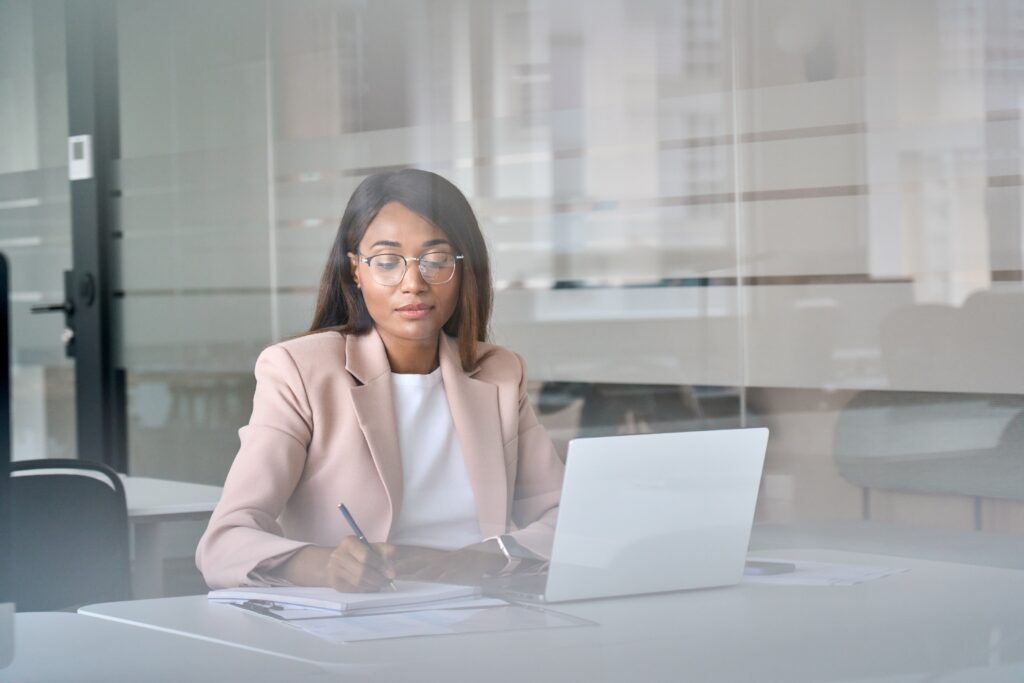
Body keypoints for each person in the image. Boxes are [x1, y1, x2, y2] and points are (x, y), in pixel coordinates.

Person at [196, 169, 563, 591]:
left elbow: (563, 520)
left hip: (481, 614)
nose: (413, 284)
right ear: (356, 271)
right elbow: (223, 544)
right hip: (354, 623)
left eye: (436, 260)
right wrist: (323, 567)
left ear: (463, 268)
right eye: (387, 262)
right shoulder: (298, 371)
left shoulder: (500, 372)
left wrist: (485, 560)